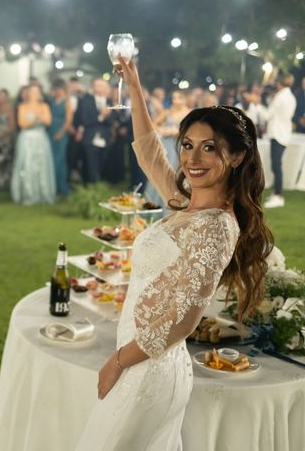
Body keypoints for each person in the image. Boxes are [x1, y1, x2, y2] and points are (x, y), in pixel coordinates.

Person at [74, 55, 273, 451]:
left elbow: (182, 322)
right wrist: (134, 87)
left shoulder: (216, 226)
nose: (192, 159)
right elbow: (150, 153)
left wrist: (118, 362)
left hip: (147, 368)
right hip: (140, 357)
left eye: (209, 148)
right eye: (186, 145)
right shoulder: (187, 204)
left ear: (235, 157)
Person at [254, 74, 297, 208]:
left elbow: (267, 115)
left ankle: (278, 195)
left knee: (276, 166)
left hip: (278, 134)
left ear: (280, 83)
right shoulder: (290, 97)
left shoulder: (280, 97)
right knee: (276, 165)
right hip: (283, 134)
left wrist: (257, 103)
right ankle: (277, 194)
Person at [10, 83, 56, 205]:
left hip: (40, 138)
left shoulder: (44, 106)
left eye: (37, 91)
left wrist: (34, 119)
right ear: (28, 93)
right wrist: (35, 119)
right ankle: (27, 194)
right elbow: (22, 123)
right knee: (26, 164)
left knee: (42, 164)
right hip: (26, 139)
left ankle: (43, 193)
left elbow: (48, 121)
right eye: (33, 91)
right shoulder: (22, 107)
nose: (35, 94)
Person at [73, 78, 113, 184]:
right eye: (98, 85)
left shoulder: (109, 102)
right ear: (93, 87)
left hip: (105, 138)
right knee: (91, 165)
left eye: (103, 86)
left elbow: (112, 121)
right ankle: (92, 188)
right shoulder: (86, 101)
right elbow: (85, 119)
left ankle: (96, 185)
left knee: (101, 164)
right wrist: (101, 116)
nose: (101, 88)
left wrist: (107, 116)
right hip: (90, 137)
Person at [47, 79, 73, 195]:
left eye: (59, 89)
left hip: (61, 133)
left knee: (60, 160)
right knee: (50, 160)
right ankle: (51, 185)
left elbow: (68, 121)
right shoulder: (50, 101)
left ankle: (61, 185)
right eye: (55, 89)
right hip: (49, 132)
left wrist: (61, 133)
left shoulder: (67, 102)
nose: (57, 91)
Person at [0, 88, 16, 189]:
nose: (1, 98)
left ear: (6, 98)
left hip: (5, 139)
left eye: (3, 96)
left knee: (4, 161)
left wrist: (2, 135)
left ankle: (5, 182)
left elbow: (12, 126)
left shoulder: (10, 108)